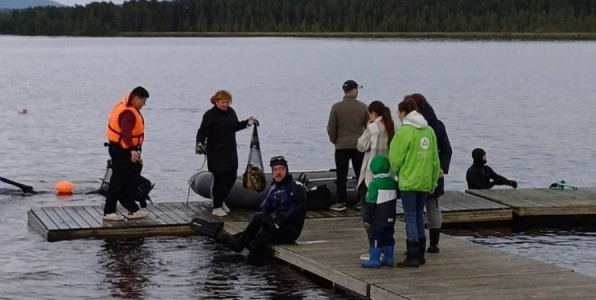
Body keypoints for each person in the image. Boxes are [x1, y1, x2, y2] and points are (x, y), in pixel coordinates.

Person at [194, 156, 307, 265]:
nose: (278, 172)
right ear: (272, 172)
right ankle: (232, 242)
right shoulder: (275, 188)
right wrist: (271, 196)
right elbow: (265, 209)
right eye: (275, 170)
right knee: (250, 239)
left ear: (286, 170)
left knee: (258, 219)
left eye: (281, 169)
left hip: (289, 231)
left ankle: (238, 245)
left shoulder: (295, 187)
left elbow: (294, 212)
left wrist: (276, 224)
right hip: (277, 228)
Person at [389, 96, 440, 268]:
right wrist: (433, 181)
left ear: (403, 112)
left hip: (409, 181)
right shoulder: (429, 131)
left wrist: (396, 174)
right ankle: (421, 253)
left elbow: (395, 158)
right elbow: (435, 159)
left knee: (410, 215)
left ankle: (412, 255)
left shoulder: (404, 131)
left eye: (398, 112)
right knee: (419, 215)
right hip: (425, 181)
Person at [195, 90, 257, 217]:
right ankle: (216, 206)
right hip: (215, 151)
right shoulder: (210, 115)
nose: (225, 105)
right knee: (219, 179)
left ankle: (221, 200)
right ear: (216, 101)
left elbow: (235, 126)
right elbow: (202, 131)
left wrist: (248, 123)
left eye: (227, 102)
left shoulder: (231, 112)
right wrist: (199, 143)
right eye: (223, 102)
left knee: (231, 177)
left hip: (230, 151)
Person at [410, 93, 452, 254]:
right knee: (433, 207)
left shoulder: (412, 128)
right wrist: (442, 168)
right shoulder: (438, 125)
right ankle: (434, 244)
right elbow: (447, 150)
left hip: (417, 172)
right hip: (436, 172)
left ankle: (418, 243)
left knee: (417, 209)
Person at [103, 86, 151, 221]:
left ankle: (132, 209)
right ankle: (109, 211)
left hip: (124, 150)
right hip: (122, 151)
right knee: (118, 181)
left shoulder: (127, 108)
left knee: (131, 180)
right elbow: (126, 133)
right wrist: (132, 150)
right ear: (136, 98)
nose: (144, 104)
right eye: (143, 101)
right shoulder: (128, 113)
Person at [356, 100, 394, 261]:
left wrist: (368, 126)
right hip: (387, 177)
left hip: (370, 176)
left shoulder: (372, 128)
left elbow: (360, 146)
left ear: (373, 113)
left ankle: (373, 248)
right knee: (384, 216)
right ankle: (386, 249)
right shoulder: (391, 127)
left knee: (368, 215)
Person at [327, 79, 369, 211]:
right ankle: (361, 200)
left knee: (341, 174)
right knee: (360, 174)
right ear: (354, 90)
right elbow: (368, 128)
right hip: (358, 145)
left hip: (341, 146)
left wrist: (336, 140)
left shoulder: (336, 107)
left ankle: (341, 201)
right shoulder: (363, 107)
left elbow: (331, 128)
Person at [361, 155, 399, 268]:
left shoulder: (374, 184)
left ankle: (374, 259)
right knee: (389, 236)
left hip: (379, 218)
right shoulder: (392, 182)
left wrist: (367, 218)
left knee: (376, 236)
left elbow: (370, 202)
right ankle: (389, 258)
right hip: (391, 217)